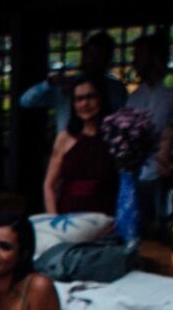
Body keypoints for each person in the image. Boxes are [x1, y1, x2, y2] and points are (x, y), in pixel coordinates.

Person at [125, 33, 173, 226]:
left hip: (170, 173)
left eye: (139, 57)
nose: (135, 63)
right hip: (140, 175)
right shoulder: (134, 98)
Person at [20, 31, 128, 133]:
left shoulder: (116, 89)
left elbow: (123, 119)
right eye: (90, 54)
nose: (93, 60)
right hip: (69, 147)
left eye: (99, 55)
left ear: (108, 59)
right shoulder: (64, 84)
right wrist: (49, 83)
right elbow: (26, 101)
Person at [43, 73, 118, 215]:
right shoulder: (64, 137)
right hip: (70, 216)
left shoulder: (114, 135)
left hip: (106, 216)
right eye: (78, 99)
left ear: (100, 98)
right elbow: (49, 185)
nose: (84, 104)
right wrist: (54, 220)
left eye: (90, 97)